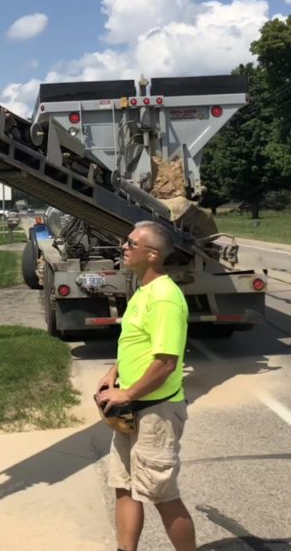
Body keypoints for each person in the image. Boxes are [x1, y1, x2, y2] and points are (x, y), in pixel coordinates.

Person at [94, 220, 196, 551]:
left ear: (152, 255)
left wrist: (128, 393)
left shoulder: (165, 297)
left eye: (131, 244)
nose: (124, 247)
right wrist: (115, 371)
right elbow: (138, 343)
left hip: (156, 413)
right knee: (124, 487)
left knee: (161, 495)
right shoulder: (143, 291)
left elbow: (165, 362)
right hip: (133, 410)